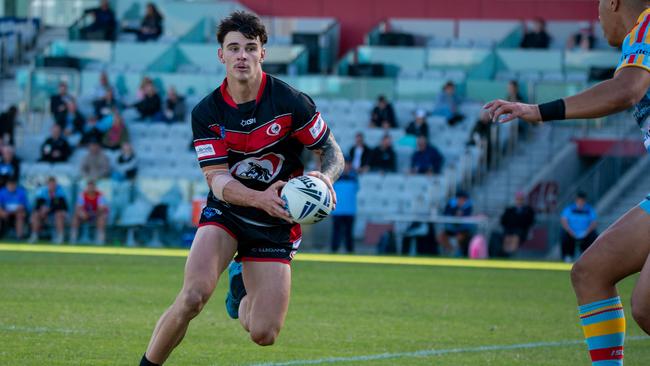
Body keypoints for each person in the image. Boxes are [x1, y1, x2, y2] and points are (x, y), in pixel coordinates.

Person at [139, 11, 344, 366]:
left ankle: (240, 289)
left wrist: (325, 178)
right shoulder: (207, 112)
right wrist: (258, 198)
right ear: (221, 55)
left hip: (277, 221)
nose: (242, 56)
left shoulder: (291, 102)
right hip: (228, 211)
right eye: (233, 48)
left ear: (262, 52)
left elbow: (331, 151)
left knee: (264, 334)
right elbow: (217, 180)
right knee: (193, 296)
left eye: (250, 48)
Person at [484, 2, 650, 363]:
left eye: (598, 7)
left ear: (614, 2)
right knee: (592, 273)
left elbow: (627, 90)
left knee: (647, 305)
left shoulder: (648, 25)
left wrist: (538, 111)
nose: (598, 17)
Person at [560, 192, 598, 263]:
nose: (581, 202)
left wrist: (586, 232)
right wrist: (570, 231)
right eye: (579, 200)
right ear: (576, 200)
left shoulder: (589, 210)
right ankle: (568, 256)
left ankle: (588, 256)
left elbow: (594, 222)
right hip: (571, 233)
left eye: (583, 200)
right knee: (563, 234)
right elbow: (563, 221)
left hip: (586, 233)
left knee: (594, 235)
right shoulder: (569, 209)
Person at [29, 177, 68, 244]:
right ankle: (34, 236)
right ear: (47, 184)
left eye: (53, 184)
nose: (52, 186)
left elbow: (62, 207)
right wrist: (42, 210)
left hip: (56, 214)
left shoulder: (60, 192)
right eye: (50, 184)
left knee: (59, 215)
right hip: (44, 214)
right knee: (35, 215)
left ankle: (60, 237)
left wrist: (49, 209)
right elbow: (37, 205)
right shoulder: (42, 192)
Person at [330, 161, 358, 253]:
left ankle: (349, 250)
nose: (347, 166)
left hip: (350, 211)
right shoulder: (336, 177)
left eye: (348, 164)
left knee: (348, 232)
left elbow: (356, 189)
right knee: (336, 232)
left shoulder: (354, 177)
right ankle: (334, 249)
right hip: (337, 210)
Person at [70, 180, 108, 245]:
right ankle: (73, 239)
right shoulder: (82, 195)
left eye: (92, 187)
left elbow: (101, 209)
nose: (90, 189)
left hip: (96, 215)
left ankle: (100, 240)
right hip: (85, 215)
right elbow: (78, 208)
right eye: (89, 187)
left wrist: (92, 214)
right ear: (87, 187)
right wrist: (82, 213)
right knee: (75, 218)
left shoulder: (100, 196)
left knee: (101, 219)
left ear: (95, 187)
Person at [437, 191, 473, 257]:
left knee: (460, 237)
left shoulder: (468, 205)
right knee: (440, 238)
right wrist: (455, 212)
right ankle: (452, 250)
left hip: (462, 228)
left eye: (464, 199)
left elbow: (467, 216)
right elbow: (446, 214)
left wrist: (460, 213)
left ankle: (457, 253)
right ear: (458, 198)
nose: (463, 200)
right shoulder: (451, 204)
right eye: (461, 199)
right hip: (451, 228)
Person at [500, 191, 535, 256]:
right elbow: (503, 220)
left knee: (515, 237)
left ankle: (511, 254)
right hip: (509, 229)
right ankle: (505, 255)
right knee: (507, 238)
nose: (519, 201)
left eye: (521, 199)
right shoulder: (510, 210)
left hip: (521, 230)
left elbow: (530, 221)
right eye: (518, 199)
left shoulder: (528, 210)